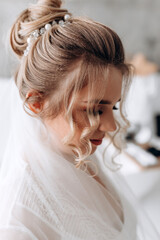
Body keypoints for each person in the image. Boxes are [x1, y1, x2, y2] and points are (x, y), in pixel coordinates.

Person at [0, 0, 159, 239]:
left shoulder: (80, 155)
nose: (111, 127)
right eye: (94, 110)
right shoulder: (20, 219)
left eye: (112, 106)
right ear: (36, 104)